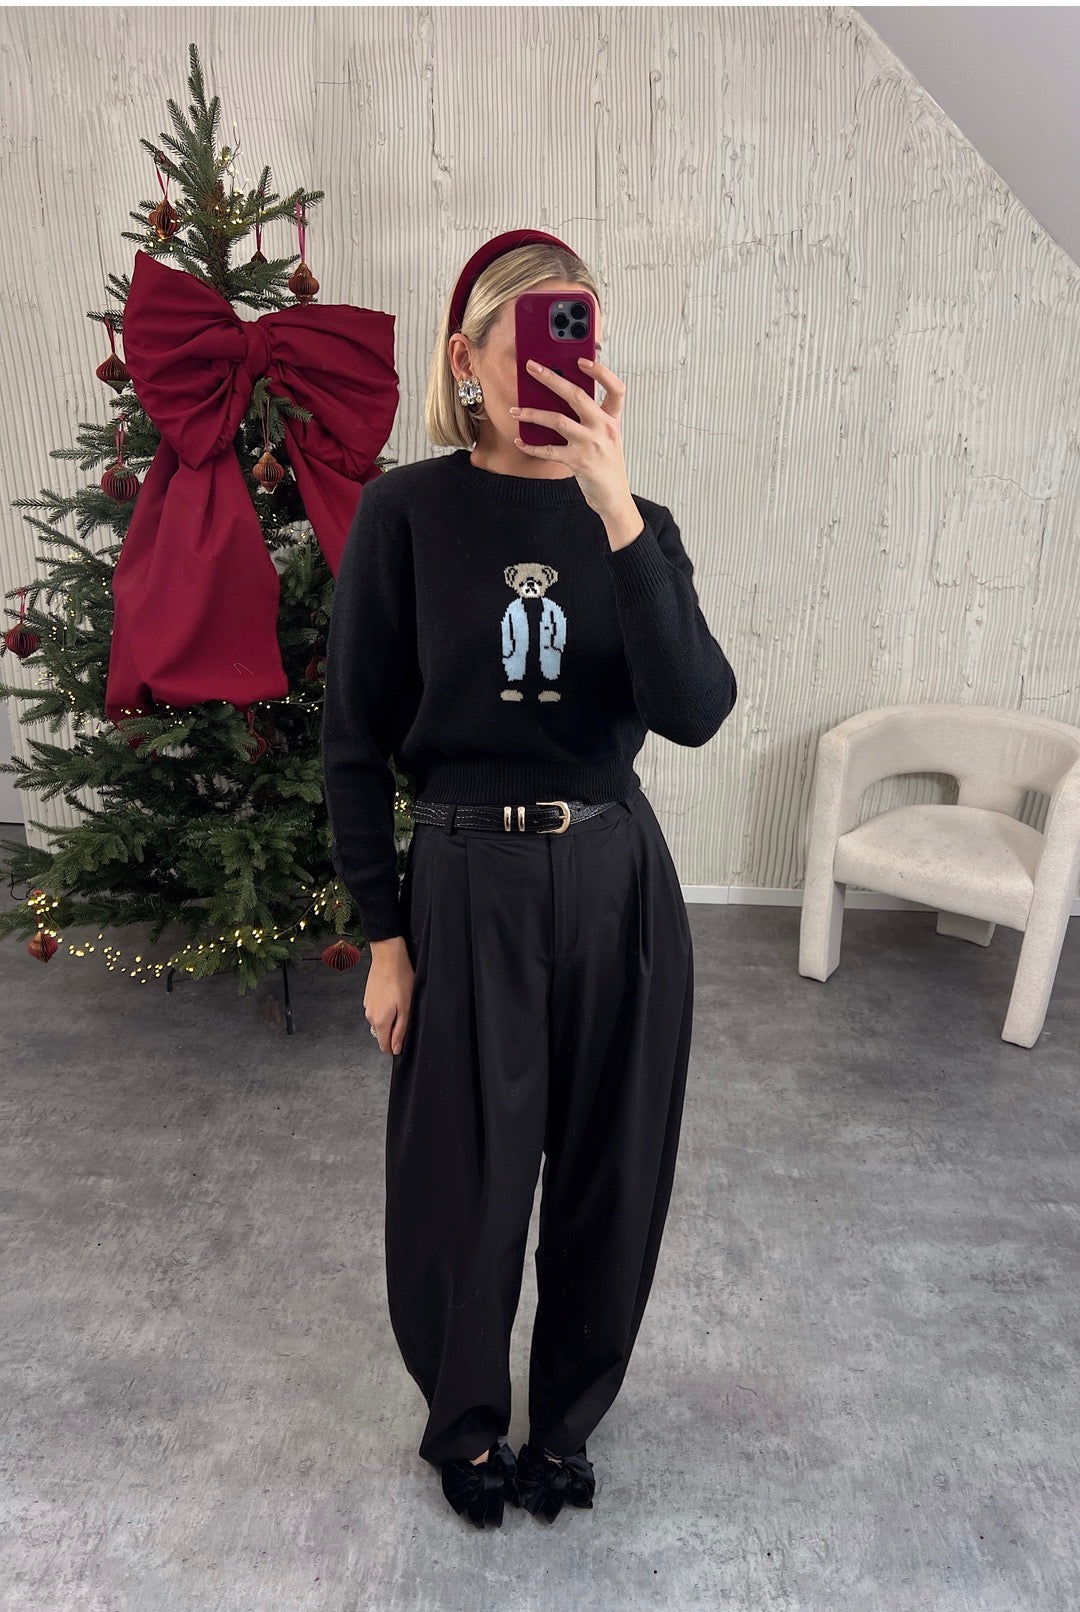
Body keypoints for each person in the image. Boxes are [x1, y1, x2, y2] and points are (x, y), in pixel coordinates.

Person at [320, 228, 737, 1528]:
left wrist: (618, 516)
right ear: (469, 358)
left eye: (583, 343)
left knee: (615, 1167)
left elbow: (695, 710)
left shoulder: (638, 526)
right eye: (537, 344)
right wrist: (385, 940)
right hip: (463, 878)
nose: (565, 371)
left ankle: (565, 1425)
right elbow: (351, 743)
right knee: (463, 1179)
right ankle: (463, 1425)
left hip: (616, 877)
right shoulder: (406, 514)